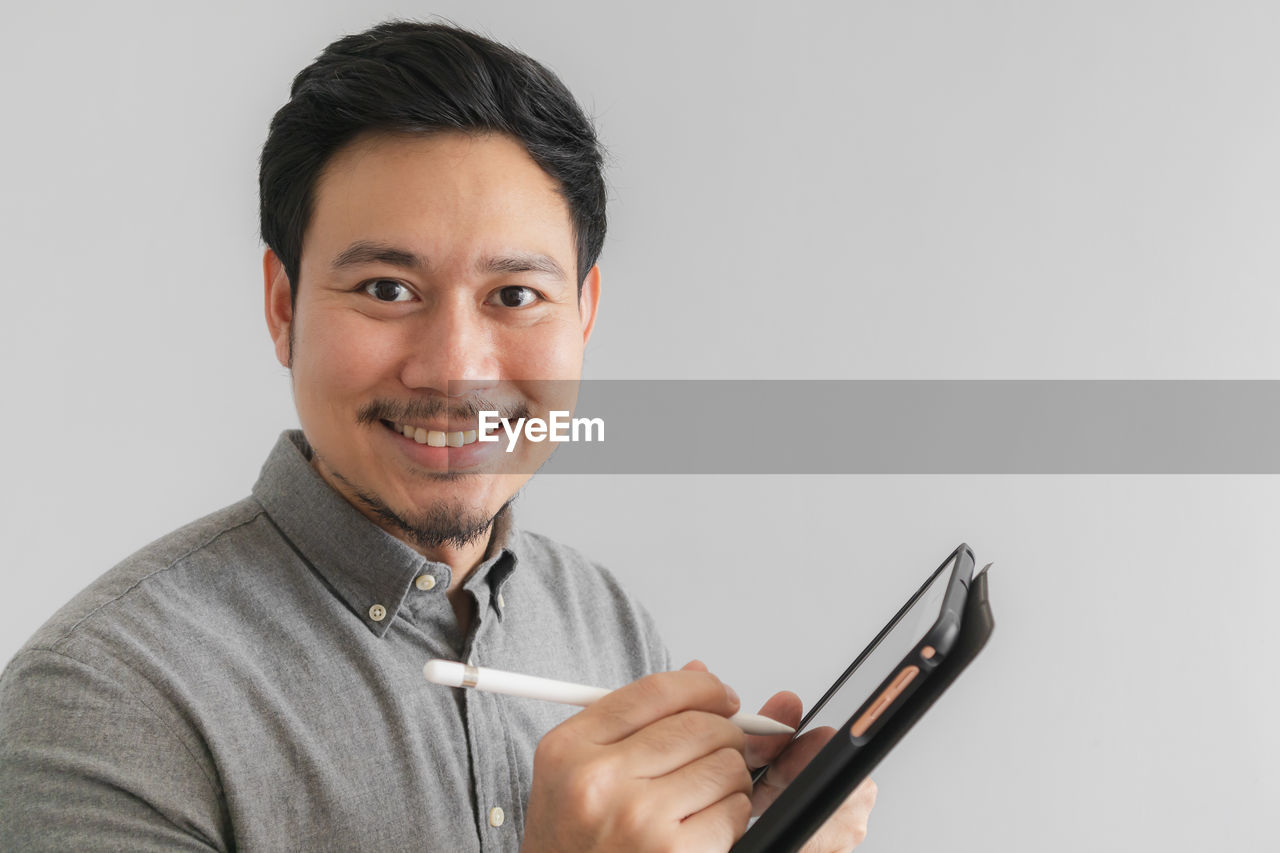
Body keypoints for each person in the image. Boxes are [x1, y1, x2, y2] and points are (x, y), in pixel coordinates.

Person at [0, 21, 875, 852]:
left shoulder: (606, 621)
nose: (455, 369)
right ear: (283, 307)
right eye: (387, 288)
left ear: (586, 313)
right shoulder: (101, 697)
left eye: (515, 296)